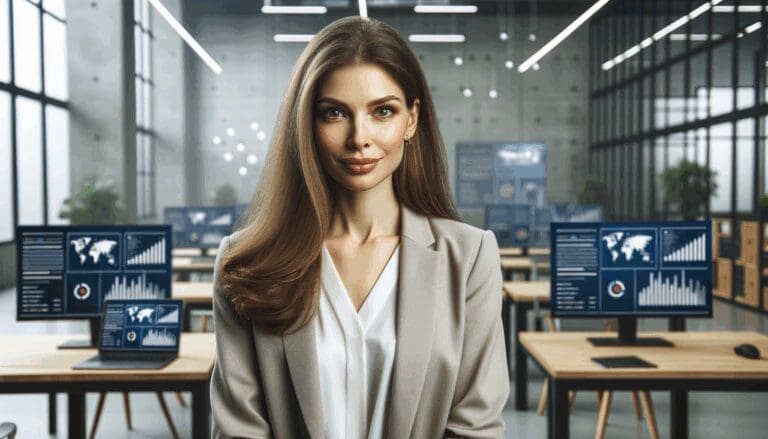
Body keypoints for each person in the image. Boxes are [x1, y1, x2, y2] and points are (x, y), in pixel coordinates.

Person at [210, 15, 509, 439]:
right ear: (306, 125)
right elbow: (240, 430)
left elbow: (475, 427)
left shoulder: (470, 257)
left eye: (382, 111)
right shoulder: (246, 263)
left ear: (410, 120)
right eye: (334, 113)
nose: (359, 138)